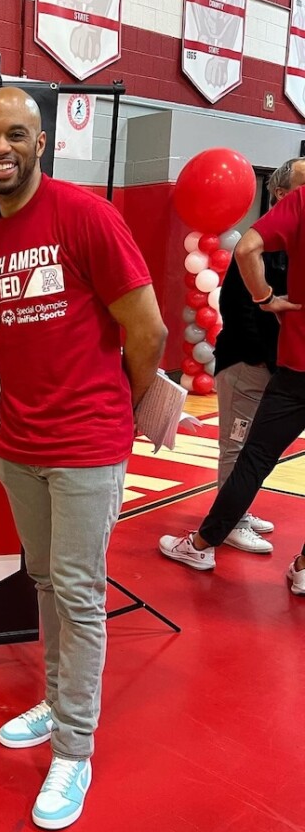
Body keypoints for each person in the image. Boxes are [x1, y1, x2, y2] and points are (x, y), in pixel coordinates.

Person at [0, 88, 167, 830]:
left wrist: (132, 407)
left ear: (41, 142)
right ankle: (55, 702)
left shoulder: (85, 216)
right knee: (46, 582)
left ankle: (75, 750)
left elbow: (145, 329)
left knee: (79, 594)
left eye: (16, 134)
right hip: (19, 444)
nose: (1, 149)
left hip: (87, 444)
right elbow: (16, 338)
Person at [159, 167, 305, 596]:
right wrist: (264, 306)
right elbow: (242, 295)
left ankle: (205, 541)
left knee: (252, 456)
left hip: (290, 368)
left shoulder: (294, 213)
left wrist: (267, 301)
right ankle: (244, 538)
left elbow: (248, 252)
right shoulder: (283, 223)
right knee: (244, 450)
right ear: (278, 192)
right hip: (258, 363)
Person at [210, 158, 305, 553]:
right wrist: (261, 358)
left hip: (276, 366)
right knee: (239, 443)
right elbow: (240, 309)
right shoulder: (261, 244)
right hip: (247, 363)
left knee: (255, 447)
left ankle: (235, 515)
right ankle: (228, 523)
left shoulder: (289, 244)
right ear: (282, 193)